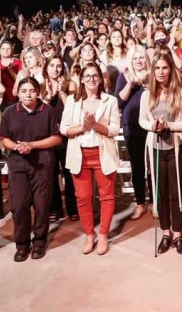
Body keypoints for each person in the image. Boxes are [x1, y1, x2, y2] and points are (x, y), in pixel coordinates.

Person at [60, 64, 122, 256]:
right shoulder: (72, 100)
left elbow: (114, 130)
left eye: (95, 76)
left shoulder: (110, 100)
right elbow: (64, 129)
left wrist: (95, 125)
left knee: (106, 196)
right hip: (80, 155)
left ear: (101, 79)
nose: (92, 79)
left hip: (102, 154)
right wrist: (83, 127)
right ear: (81, 79)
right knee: (83, 198)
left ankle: (103, 234)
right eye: (87, 76)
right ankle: (89, 234)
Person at [0, 77, 62, 262]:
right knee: (19, 206)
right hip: (18, 164)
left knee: (42, 206)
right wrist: (18, 147)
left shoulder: (47, 111)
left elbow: (57, 138)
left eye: (32, 90)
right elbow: (4, 138)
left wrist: (32, 145)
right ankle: (22, 244)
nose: (28, 94)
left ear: (38, 92)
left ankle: (40, 242)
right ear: (18, 92)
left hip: (42, 163)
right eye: (24, 90)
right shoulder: (10, 112)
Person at [139, 51, 182, 256]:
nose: (161, 72)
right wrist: (153, 125)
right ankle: (166, 233)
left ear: (171, 69)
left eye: (165, 67)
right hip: (155, 147)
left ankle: (178, 235)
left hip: (175, 147)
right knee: (160, 192)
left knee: (175, 192)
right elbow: (142, 120)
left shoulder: (181, 93)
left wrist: (168, 125)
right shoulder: (147, 94)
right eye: (157, 68)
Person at [115, 45, 151, 220]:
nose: (139, 61)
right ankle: (140, 203)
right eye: (135, 58)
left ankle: (154, 202)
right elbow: (118, 103)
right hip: (132, 127)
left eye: (141, 57)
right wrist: (129, 84)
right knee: (137, 167)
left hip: (152, 127)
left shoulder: (153, 75)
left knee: (152, 167)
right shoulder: (124, 76)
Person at [42, 56, 77, 222]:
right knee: (51, 173)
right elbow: (39, 110)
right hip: (47, 135)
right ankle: (55, 208)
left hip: (65, 134)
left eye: (59, 66)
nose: (56, 69)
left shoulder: (70, 85)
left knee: (69, 172)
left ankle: (72, 208)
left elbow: (72, 109)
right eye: (52, 66)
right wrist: (49, 96)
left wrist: (62, 92)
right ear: (46, 68)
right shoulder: (41, 86)